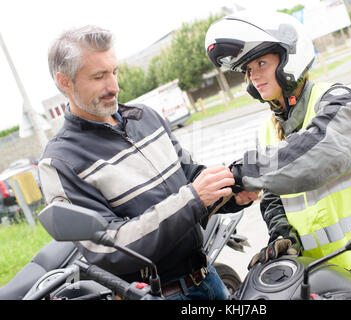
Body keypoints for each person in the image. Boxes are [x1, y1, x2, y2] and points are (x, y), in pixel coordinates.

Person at [205, 10, 351, 299]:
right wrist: (283, 234)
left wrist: (242, 172)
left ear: (289, 59)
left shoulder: (337, 100)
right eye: (247, 69)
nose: (254, 75)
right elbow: (273, 197)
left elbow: (319, 151)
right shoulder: (267, 131)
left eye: (261, 63)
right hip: (321, 271)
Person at [39, 25, 258, 300]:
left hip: (208, 278)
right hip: (160, 294)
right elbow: (109, 248)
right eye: (99, 77)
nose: (114, 86)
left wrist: (231, 194)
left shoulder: (146, 117)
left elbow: (188, 177)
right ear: (65, 82)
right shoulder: (59, 162)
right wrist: (193, 199)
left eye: (114, 71)